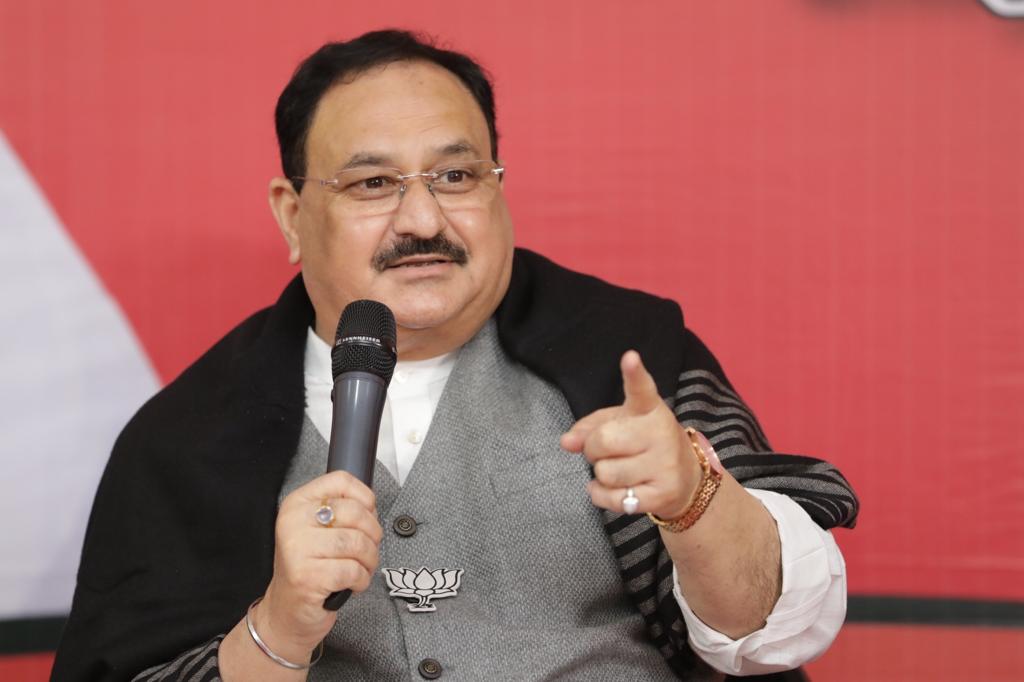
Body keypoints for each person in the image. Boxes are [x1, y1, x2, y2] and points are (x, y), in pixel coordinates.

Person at [52, 30, 858, 682]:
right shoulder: (188, 438)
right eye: (373, 184)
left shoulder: (628, 355)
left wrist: (696, 499)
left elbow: (776, 637)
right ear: (293, 215)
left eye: (457, 174)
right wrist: (279, 629)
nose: (424, 218)